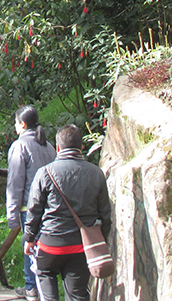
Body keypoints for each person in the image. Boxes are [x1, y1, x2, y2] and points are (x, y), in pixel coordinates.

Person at [26, 125, 112, 301]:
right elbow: (105, 214)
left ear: (58, 147)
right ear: (82, 147)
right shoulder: (96, 173)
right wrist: (101, 239)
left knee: (45, 277)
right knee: (77, 295)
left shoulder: (45, 173)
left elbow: (34, 210)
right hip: (81, 245)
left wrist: (29, 238)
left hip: (50, 244)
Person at [7, 106, 56, 296]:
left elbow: (15, 182)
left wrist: (12, 215)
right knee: (42, 247)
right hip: (49, 206)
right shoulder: (48, 146)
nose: (15, 126)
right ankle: (43, 288)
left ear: (22, 124)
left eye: (16, 122)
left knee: (29, 245)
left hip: (29, 207)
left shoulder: (20, 146)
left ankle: (31, 288)